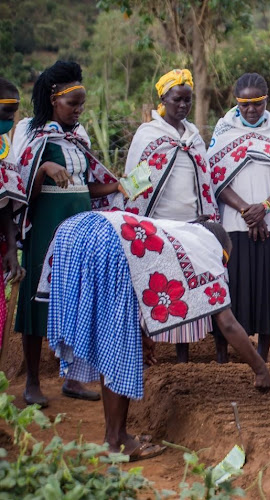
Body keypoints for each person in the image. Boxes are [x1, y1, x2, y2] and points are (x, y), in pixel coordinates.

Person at [37, 211, 270, 461]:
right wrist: (260, 368)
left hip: (76, 231)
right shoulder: (205, 248)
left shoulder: (175, 233)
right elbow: (227, 324)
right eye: (225, 259)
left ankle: (114, 437)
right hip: (105, 239)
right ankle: (116, 442)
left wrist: (144, 335)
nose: (222, 266)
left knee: (116, 340)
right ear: (221, 249)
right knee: (119, 345)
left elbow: (140, 281)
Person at [13, 61, 122, 408]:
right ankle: (31, 380)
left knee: (77, 294)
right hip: (46, 224)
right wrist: (44, 168)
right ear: (53, 99)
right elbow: (20, 190)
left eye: (81, 104)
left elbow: (85, 187)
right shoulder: (33, 136)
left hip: (78, 224)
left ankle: (73, 377)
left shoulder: (78, 138)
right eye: (72, 103)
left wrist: (118, 185)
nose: (78, 110)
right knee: (36, 301)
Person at [122, 69, 218, 363]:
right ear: (162, 99)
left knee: (184, 287)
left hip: (189, 222)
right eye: (177, 99)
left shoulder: (193, 136)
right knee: (152, 285)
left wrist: (205, 216)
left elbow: (204, 180)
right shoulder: (148, 135)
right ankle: (144, 350)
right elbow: (134, 184)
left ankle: (183, 357)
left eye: (188, 101)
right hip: (156, 224)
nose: (183, 106)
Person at [208, 73, 270, 362]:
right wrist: (247, 211)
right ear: (236, 102)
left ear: (266, 100)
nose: (251, 110)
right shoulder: (224, 129)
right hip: (234, 223)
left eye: (257, 103)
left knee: (268, 286)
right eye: (244, 104)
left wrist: (264, 207)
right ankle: (223, 354)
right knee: (232, 285)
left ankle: (261, 355)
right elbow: (213, 176)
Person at [0, 78, 29, 346]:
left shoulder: (3, 146)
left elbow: (7, 203)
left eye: (14, 112)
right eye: (6, 112)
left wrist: (11, 248)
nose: (11, 119)